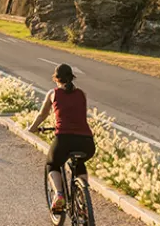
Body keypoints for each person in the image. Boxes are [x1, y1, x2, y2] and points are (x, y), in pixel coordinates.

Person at [27, 64, 95, 213]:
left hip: (64, 140)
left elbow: (42, 115)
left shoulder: (53, 93)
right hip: (87, 142)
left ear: (56, 78)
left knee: (52, 163)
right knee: (80, 163)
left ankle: (59, 195)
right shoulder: (82, 93)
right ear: (72, 77)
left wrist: (32, 128)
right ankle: (83, 197)